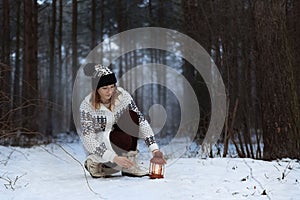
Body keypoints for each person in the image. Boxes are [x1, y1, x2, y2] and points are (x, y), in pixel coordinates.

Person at [79, 63, 166, 178]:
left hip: (120, 138)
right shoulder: (86, 106)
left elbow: (140, 120)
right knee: (121, 139)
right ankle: (95, 162)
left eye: (112, 87)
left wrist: (155, 150)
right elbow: (88, 140)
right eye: (105, 88)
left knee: (132, 115)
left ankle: (129, 163)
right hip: (100, 145)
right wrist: (113, 157)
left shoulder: (123, 96)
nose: (109, 92)